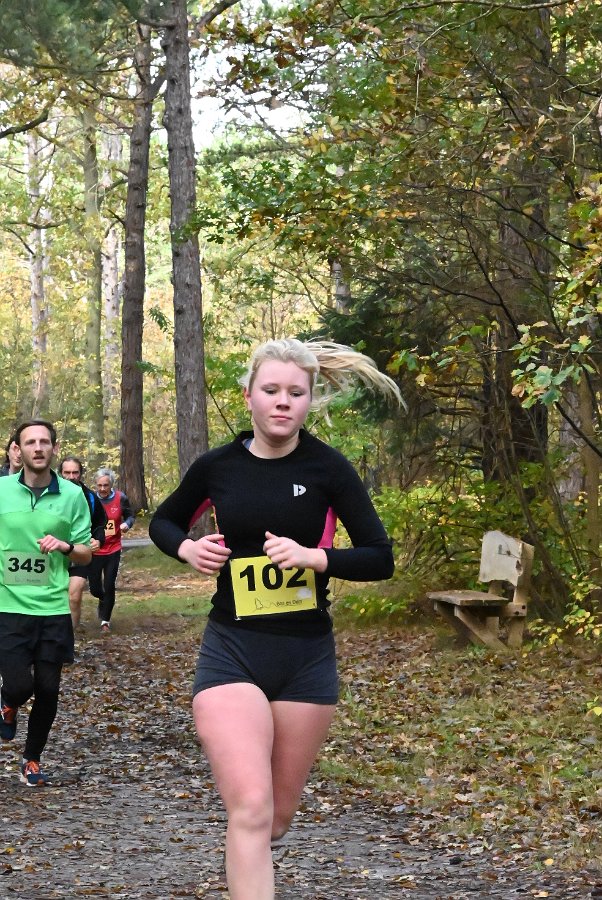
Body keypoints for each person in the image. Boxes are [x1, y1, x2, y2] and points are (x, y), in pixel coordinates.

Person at [149, 338, 402, 900]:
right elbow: (163, 522)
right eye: (270, 390)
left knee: (275, 820)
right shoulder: (217, 467)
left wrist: (315, 558)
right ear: (249, 397)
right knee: (251, 807)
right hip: (233, 649)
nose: (282, 401)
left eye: (295, 392)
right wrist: (187, 549)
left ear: (309, 401)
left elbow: (380, 558)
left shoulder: (328, 468)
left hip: (306, 659)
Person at [0, 420, 92, 786]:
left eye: (44, 442)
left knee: (49, 689)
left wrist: (65, 546)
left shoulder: (72, 495)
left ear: (54, 447)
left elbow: (86, 552)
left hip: (53, 607)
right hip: (9, 605)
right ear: (18, 450)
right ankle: (8, 702)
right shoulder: (2, 490)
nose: (37, 448)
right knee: (20, 685)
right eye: (30, 442)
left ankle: (32, 760)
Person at [58, 456, 108, 629]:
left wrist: (98, 540)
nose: (71, 477)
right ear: (60, 473)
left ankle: (71, 636)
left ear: (81, 474)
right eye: (67, 473)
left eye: (75, 472)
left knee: (74, 596)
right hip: (53, 551)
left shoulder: (90, 497)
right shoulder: (49, 494)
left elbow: (100, 524)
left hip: (78, 551)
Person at [88, 468, 135, 632]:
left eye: (106, 485)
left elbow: (130, 516)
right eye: (99, 485)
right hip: (94, 549)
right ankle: (104, 599)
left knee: (109, 584)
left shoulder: (121, 498)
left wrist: (126, 524)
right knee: (95, 588)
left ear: (111, 485)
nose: (102, 489)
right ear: (95, 485)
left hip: (113, 549)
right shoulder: (90, 499)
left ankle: (105, 621)